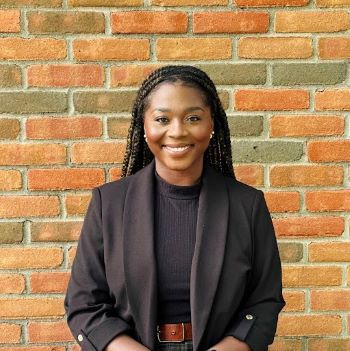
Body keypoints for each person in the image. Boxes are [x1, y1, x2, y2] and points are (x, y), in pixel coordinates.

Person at [64, 65, 285, 351]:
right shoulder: (110, 204)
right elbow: (84, 304)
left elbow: (264, 301)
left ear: (212, 124)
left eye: (193, 118)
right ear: (144, 126)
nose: (178, 131)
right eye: (162, 119)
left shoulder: (247, 205)